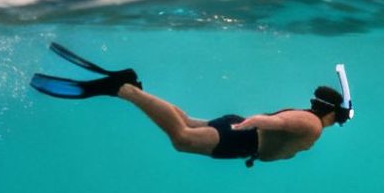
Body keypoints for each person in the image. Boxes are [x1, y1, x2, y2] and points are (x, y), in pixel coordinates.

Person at [31, 43, 352, 167]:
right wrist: (250, 124)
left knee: (185, 119)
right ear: (331, 114)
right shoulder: (311, 124)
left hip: (242, 134)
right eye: (340, 119)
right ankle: (125, 90)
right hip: (243, 136)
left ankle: (128, 84)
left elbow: (280, 124)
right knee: (182, 139)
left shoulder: (308, 118)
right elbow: (278, 124)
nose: (338, 123)